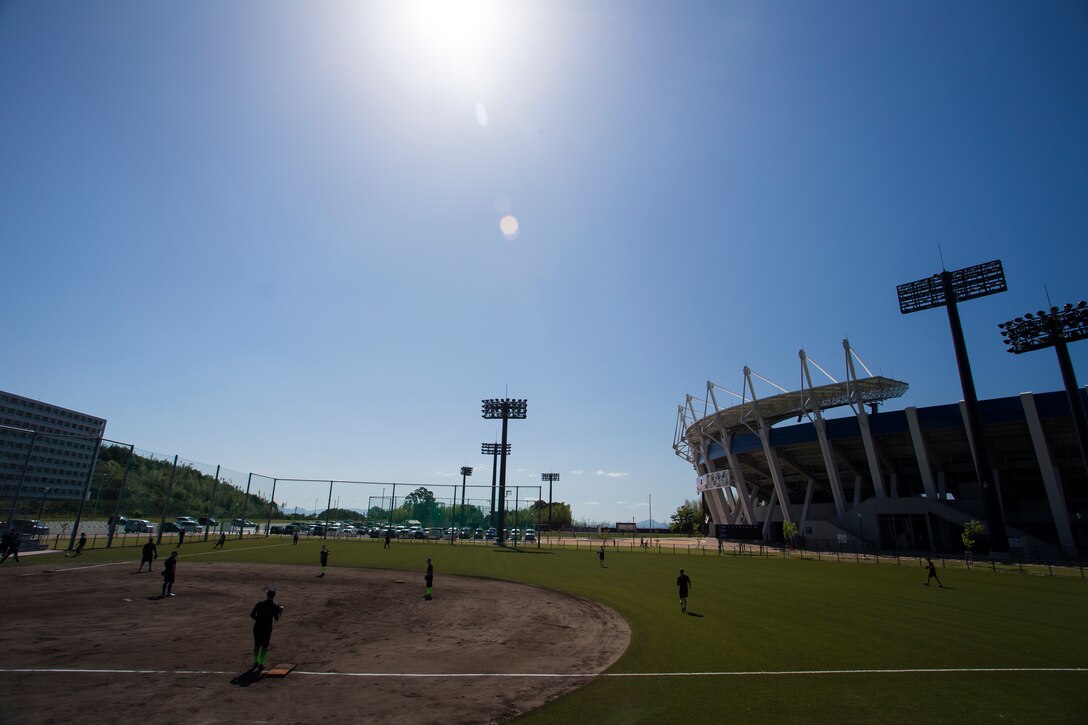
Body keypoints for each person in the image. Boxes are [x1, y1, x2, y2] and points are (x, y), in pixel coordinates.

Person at [250, 588, 284, 671]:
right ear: (274, 596)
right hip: (267, 628)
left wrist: (259, 619)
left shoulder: (260, 604)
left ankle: (256, 661)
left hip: (257, 627)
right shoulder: (275, 607)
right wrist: (280, 612)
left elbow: (252, 614)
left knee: (257, 645)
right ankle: (261, 663)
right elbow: (276, 619)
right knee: (264, 646)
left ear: (267, 595)